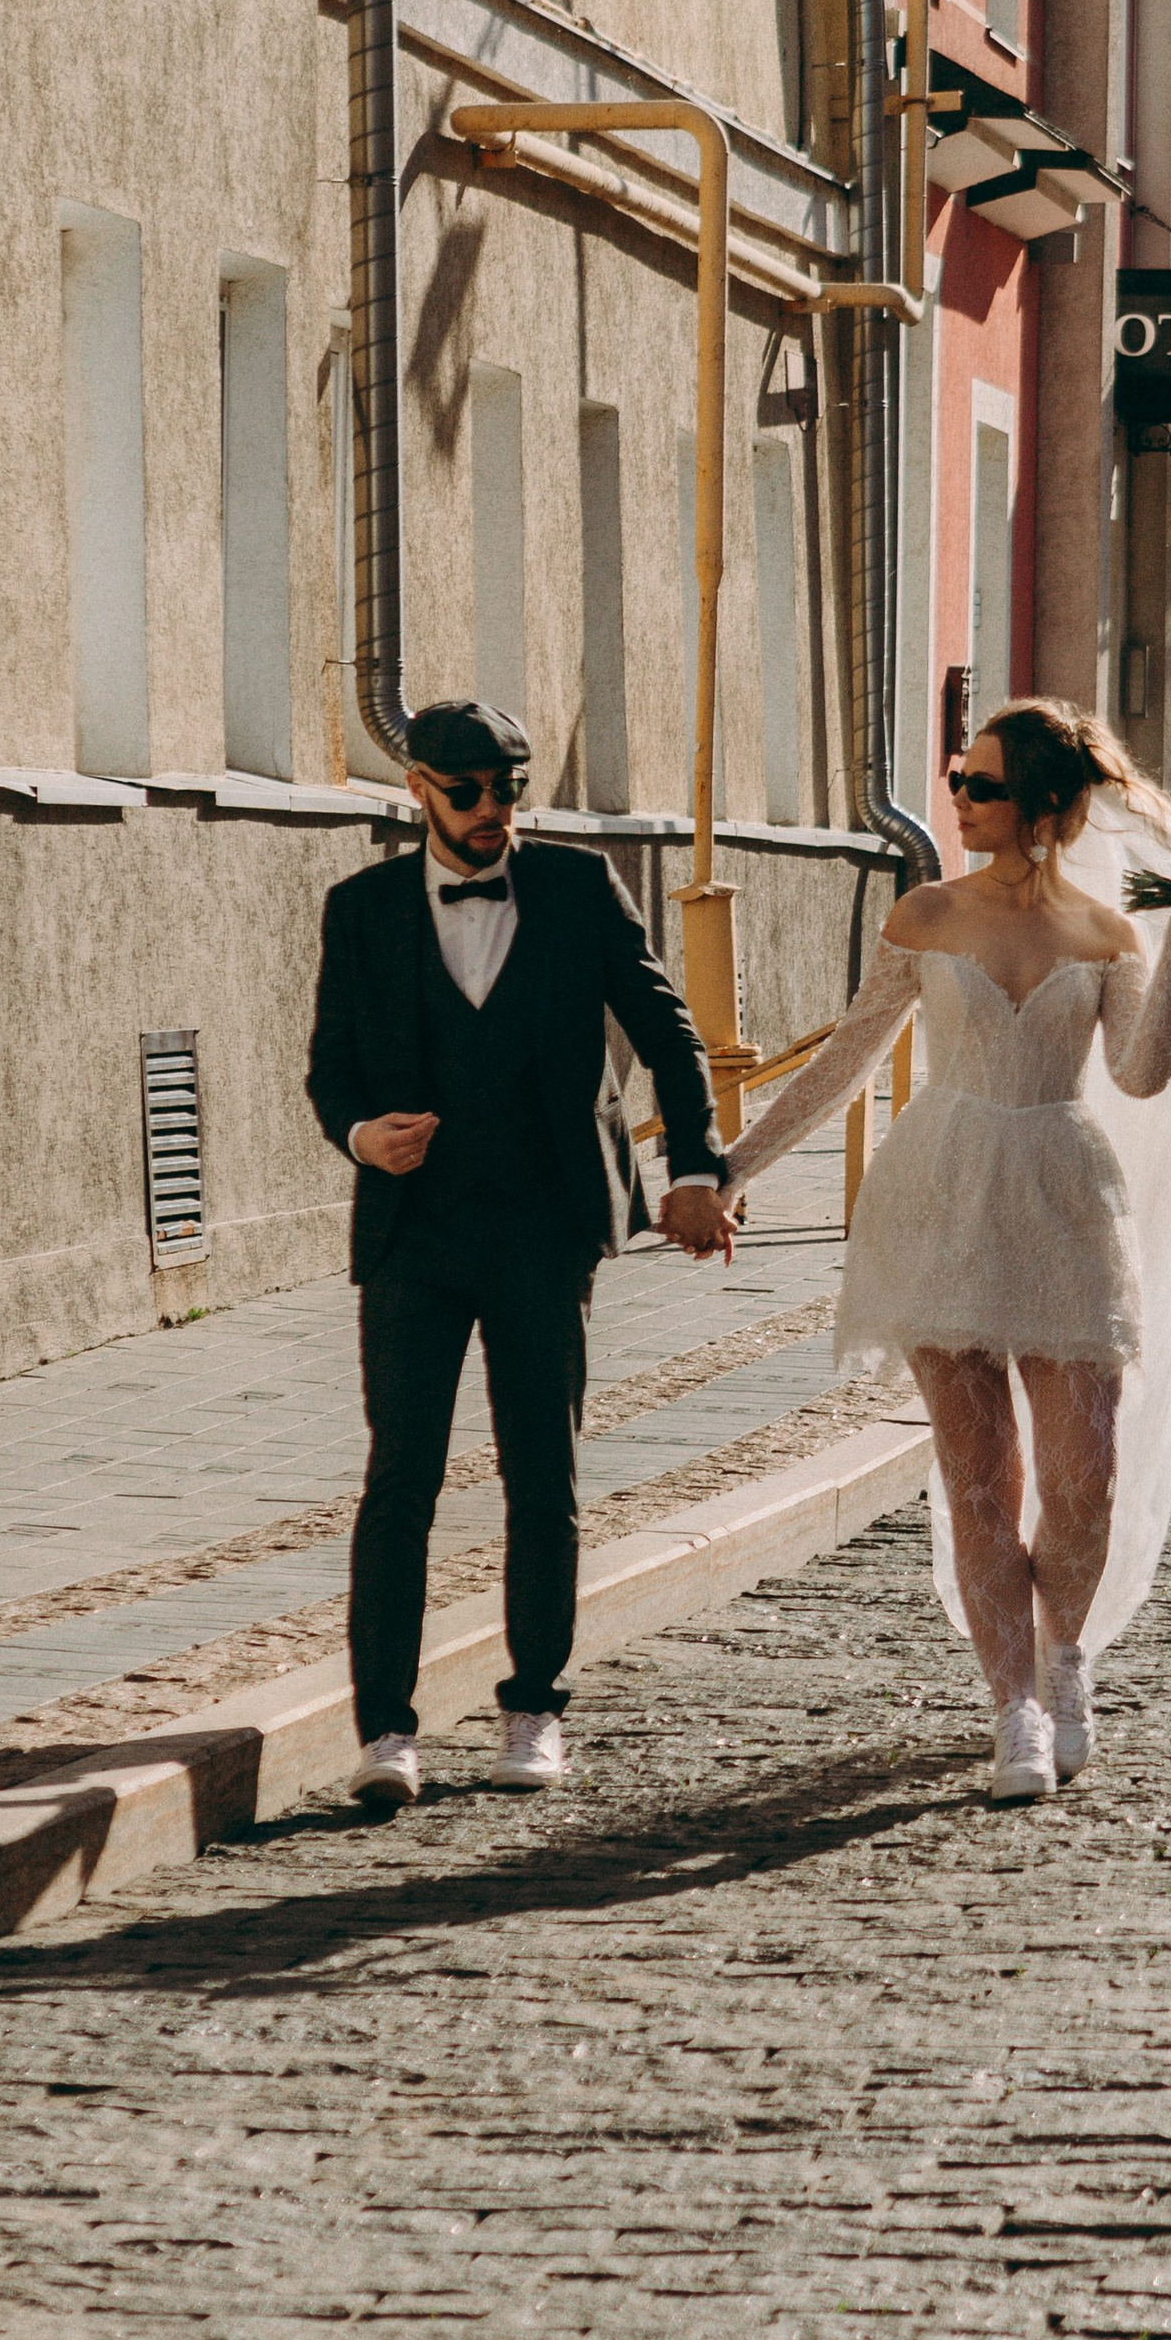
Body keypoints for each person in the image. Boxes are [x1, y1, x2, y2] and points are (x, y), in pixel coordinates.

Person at [715, 699, 1171, 1802]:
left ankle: (1065, 1664)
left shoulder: (1108, 933)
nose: (957, 798)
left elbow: (1142, 1075)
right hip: (938, 1197)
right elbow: (843, 1064)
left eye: (982, 785)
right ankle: (1011, 1710)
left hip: (1064, 1199)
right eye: (957, 777)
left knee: (1082, 1479)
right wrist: (731, 1168)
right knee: (977, 1483)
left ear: (1046, 808)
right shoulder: (924, 914)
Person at [304, 696, 735, 1810]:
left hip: (546, 1225)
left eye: (509, 789)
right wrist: (362, 1135)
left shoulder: (576, 888)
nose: (494, 810)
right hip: (416, 1233)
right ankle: (386, 1731)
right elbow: (331, 1070)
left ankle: (532, 1707)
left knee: (543, 1473)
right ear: (420, 793)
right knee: (399, 1478)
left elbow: (668, 1032)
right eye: (469, 792)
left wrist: (696, 1168)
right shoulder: (358, 910)